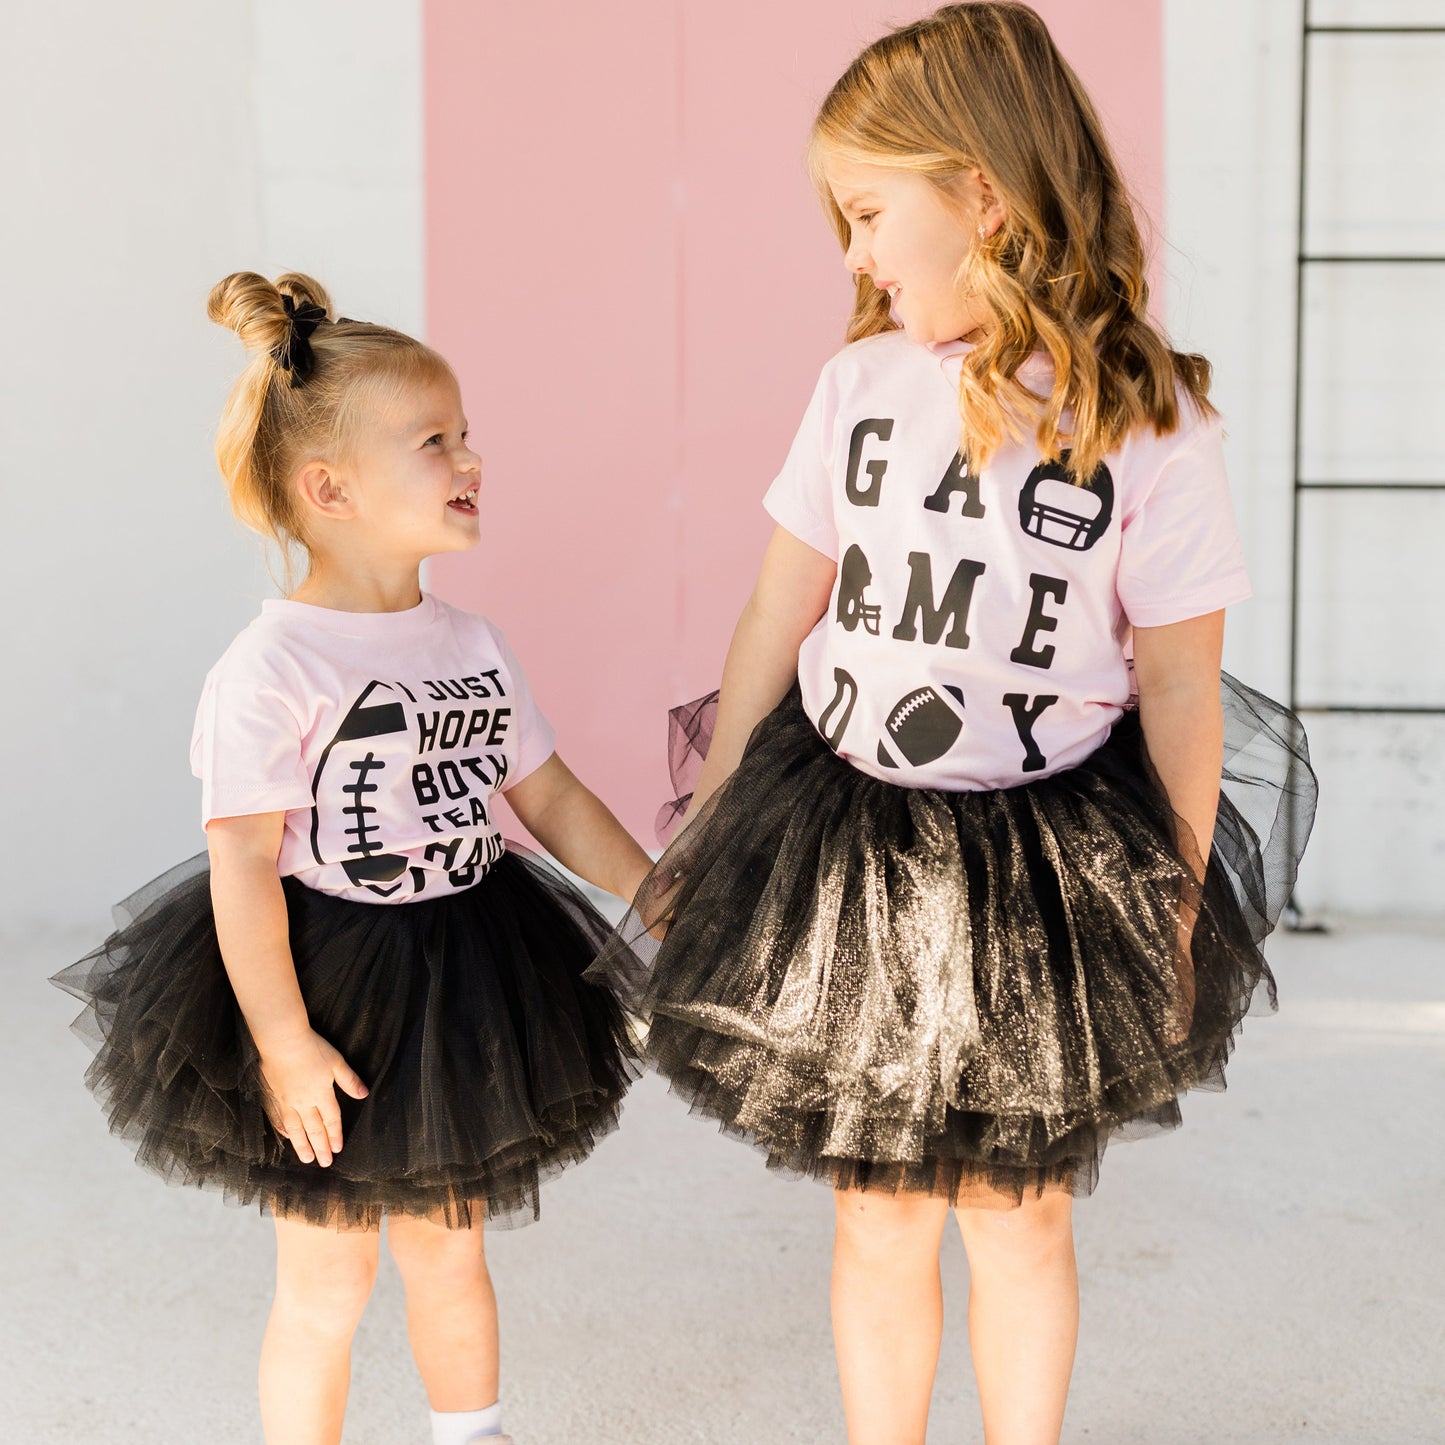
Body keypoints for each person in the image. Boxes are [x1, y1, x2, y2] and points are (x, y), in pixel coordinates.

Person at [596, 6, 1317, 1443]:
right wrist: (718, 813)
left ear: (981, 193)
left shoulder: (1150, 425)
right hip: (852, 831)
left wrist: (1169, 902)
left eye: (868, 216)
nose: (855, 258)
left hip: (1041, 860)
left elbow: (1176, 682)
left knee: (1018, 1213)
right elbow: (772, 615)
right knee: (877, 1213)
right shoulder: (857, 392)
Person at [53, 271, 652, 1445]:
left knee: (449, 1247)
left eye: (468, 434)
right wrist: (281, 1040)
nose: (472, 458)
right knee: (325, 1277)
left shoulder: (472, 643)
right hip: (326, 977)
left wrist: (653, 891)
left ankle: (470, 1429)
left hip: (470, 965)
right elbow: (240, 868)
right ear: (329, 489)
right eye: (437, 441)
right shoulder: (271, 668)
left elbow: (551, 795)